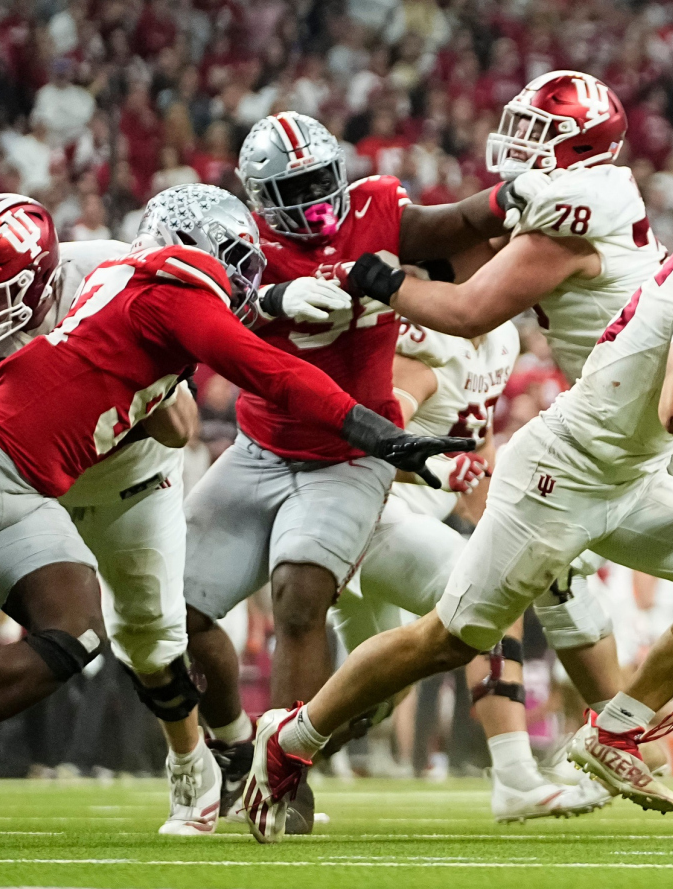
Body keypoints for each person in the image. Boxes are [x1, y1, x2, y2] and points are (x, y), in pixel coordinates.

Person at [240, 145, 673, 844]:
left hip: (627, 475)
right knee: (447, 640)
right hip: (563, 476)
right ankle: (290, 739)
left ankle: (616, 730)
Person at [0, 183, 469, 823]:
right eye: (232, 259)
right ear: (195, 250)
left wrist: (281, 299)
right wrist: (386, 435)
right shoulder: (171, 294)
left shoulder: (131, 278)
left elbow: (236, 321)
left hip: (27, 485)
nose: (244, 276)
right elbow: (274, 371)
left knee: (77, 631)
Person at [180, 111, 535, 829]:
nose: (315, 200)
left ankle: (286, 784)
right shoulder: (242, 241)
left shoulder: (374, 205)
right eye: (296, 188)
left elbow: (444, 225)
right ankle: (233, 752)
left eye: (320, 180)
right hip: (259, 447)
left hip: (350, 454)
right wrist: (270, 298)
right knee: (177, 615)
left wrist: (510, 199)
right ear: (258, 196)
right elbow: (198, 317)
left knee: (300, 595)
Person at [329, 319, 610, 821]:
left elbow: (476, 438)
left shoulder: (501, 339)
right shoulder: (426, 344)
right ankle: (515, 776)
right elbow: (360, 442)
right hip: (367, 513)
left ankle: (269, 757)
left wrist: (492, 515)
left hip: (409, 525)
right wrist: (432, 470)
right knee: (494, 589)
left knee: (373, 699)